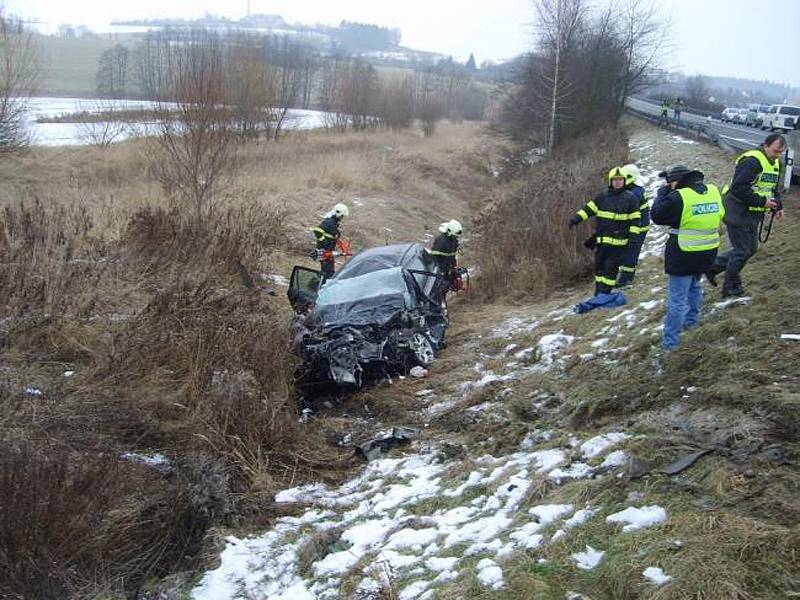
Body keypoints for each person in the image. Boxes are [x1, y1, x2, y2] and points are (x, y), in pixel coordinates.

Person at [651, 164, 724, 350]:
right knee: (695, 286)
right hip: (707, 251)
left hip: (683, 253)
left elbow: (657, 216)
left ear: (676, 182)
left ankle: (670, 342)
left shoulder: (679, 197)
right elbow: (720, 214)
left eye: (670, 183)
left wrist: (662, 195)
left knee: (677, 299)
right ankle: (691, 322)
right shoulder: (713, 191)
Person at [707, 134, 785, 297]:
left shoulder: (776, 163)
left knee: (750, 249)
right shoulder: (751, 161)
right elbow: (739, 188)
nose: (778, 155)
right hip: (736, 210)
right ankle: (731, 287)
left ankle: (712, 267)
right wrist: (762, 202)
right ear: (765, 145)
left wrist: (778, 207)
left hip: (752, 212)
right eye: (776, 151)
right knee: (742, 250)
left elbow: (772, 189)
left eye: (781, 152)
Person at [569, 167, 641, 295]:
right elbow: (588, 209)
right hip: (602, 242)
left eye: (620, 179)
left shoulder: (631, 198)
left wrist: (633, 237)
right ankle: (598, 293)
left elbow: (636, 221)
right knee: (600, 269)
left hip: (619, 244)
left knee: (610, 270)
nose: (618, 182)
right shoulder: (602, 196)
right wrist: (576, 219)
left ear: (624, 181)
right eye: (615, 179)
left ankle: (605, 294)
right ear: (610, 181)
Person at [617, 163, 650, 286]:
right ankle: (626, 276)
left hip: (638, 227)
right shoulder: (635, 189)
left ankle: (626, 279)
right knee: (629, 251)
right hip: (640, 225)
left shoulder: (634, 193)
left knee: (630, 252)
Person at [313, 203, 349, 281]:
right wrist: (323, 241)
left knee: (327, 272)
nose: (342, 218)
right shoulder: (329, 222)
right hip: (324, 252)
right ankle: (316, 288)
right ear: (339, 214)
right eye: (342, 216)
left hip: (329, 252)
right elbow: (317, 231)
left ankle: (315, 287)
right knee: (327, 273)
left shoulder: (334, 224)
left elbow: (332, 236)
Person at [428, 219, 462, 296]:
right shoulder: (441, 241)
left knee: (445, 288)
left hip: (447, 269)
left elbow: (452, 256)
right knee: (438, 291)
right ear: (450, 231)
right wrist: (438, 271)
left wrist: (454, 268)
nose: (455, 237)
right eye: (454, 235)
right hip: (439, 271)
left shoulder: (453, 241)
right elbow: (433, 258)